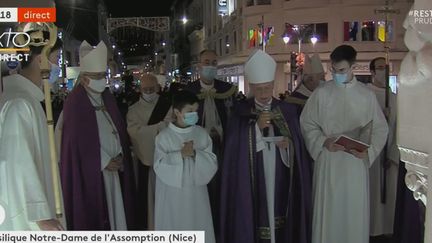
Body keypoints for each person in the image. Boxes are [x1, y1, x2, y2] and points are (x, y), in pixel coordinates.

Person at [220, 49, 312, 243]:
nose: (263, 94)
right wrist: (255, 130)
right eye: (258, 89)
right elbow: (233, 149)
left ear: (273, 85)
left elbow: (299, 148)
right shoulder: (240, 112)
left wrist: (288, 147)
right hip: (254, 176)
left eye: (267, 88)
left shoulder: (288, 110)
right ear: (252, 87)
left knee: (279, 212)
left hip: (280, 173)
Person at [300, 45, 389, 243]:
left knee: (352, 213)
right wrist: (323, 142)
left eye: (341, 70)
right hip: (329, 160)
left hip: (354, 163)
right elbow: (307, 124)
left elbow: (380, 128)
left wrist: (369, 152)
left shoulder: (366, 96)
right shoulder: (322, 94)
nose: (337, 74)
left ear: (353, 67)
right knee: (329, 212)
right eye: (333, 70)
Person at [60, 40, 136, 230]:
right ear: (84, 78)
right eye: (97, 76)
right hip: (93, 173)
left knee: (116, 215)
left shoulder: (107, 97)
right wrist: (103, 161)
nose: (102, 79)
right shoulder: (75, 102)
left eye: (103, 75)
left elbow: (116, 128)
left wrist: (119, 154)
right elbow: (77, 142)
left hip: (114, 169)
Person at [0, 26, 64, 230]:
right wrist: (41, 215)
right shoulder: (19, 104)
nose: (57, 65)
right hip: (29, 218)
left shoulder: (29, 100)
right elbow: (18, 162)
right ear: (40, 60)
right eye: (56, 58)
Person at [154, 90, 217, 243]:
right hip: (172, 195)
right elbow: (159, 165)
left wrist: (197, 155)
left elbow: (212, 162)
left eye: (196, 111)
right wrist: (179, 155)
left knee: (198, 222)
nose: (194, 114)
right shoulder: (164, 136)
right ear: (177, 111)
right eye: (189, 111)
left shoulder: (201, 134)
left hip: (197, 193)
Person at [184, 49, 236, 233]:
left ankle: (222, 224)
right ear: (199, 65)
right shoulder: (189, 92)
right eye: (206, 62)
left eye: (214, 63)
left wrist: (221, 132)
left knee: (222, 188)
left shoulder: (226, 90)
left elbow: (233, 118)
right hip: (199, 150)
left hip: (222, 148)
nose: (210, 66)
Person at [127, 73, 172, 229]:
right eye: (145, 89)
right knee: (148, 200)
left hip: (167, 160)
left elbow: (170, 126)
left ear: (158, 88)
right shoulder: (133, 110)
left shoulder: (167, 105)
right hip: (145, 162)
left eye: (151, 89)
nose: (148, 92)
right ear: (139, 89)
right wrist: (158, 128)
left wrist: (148, 130)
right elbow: (134, 132)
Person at [367, 57, 399, 238]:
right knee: (371, 196)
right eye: (379, 68)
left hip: (389, 157)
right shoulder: (365, 95)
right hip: (371, 155)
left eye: (386, 68)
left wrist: (393, 153)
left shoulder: (394, 97)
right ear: (372, 72)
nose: (383, 71)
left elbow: (401, 127)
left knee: (389, 199)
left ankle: (388, 231)